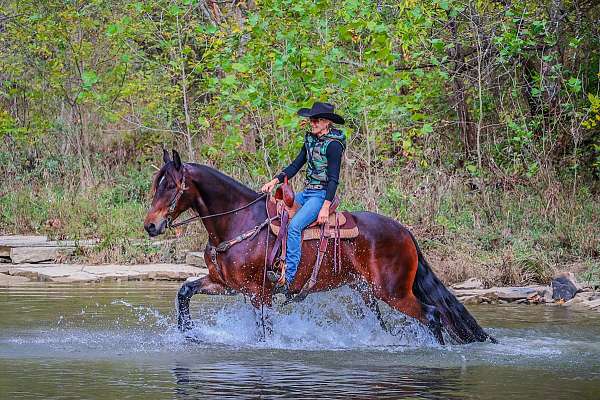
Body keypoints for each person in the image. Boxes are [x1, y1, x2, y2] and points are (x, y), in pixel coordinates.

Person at [261, 101, 346, 293]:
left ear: (327, 123)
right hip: (307, 192)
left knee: (294, 226)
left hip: (322, 195)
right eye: (311, 120)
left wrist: (325, 207)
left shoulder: (334, 145)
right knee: (277, 212)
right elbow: (295, 166)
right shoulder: (310, 140)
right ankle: (276, 262)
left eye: (316, 121)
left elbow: (333, 179)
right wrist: (274, 181)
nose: (312, 123)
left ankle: (290, 277)